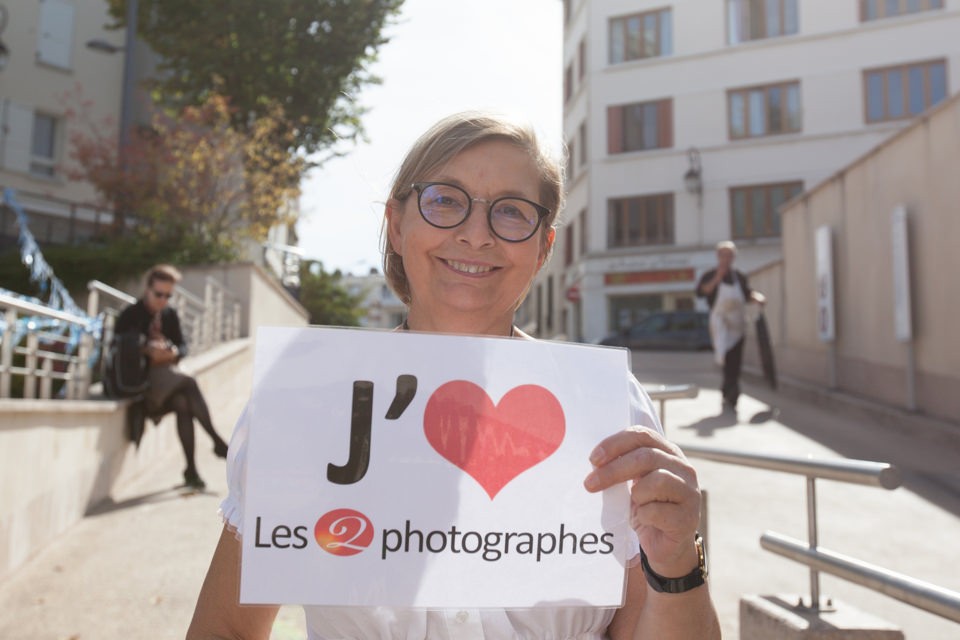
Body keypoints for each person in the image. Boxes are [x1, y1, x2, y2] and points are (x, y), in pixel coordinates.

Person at [187, 112, 720, 639]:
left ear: (543, 249)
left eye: (511, 212)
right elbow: (227, 629)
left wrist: (677, 563)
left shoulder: (606, 410)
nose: (475, 235)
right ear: (396, 226)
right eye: (445, 200)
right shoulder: (309, 403)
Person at [114, 264, 229, 490]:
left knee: (183, 404)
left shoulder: (169, 314)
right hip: (141, 386)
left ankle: (191, 470)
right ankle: (216, 441)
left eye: (168, 295)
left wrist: (173, 352)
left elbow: (183, 347)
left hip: (167, 386)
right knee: (188, 383)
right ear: (147, 289)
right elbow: (119, 348)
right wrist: (147, 349)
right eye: (159, 294)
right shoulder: (131, 315)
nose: (163, 300)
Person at [696, 240, 766, 412]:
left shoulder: (739, 276)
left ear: (734, 257)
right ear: (718, 256)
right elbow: (701, 292)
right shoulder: (709, 275)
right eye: (723, 255)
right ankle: (728, 389)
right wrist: (717, 278)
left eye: (730, 255)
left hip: (737, 324)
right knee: (724, 357)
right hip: (720, 323)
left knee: (735, 360)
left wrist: (758, 298)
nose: (726, 259)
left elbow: (747, 294)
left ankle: (731, 392)